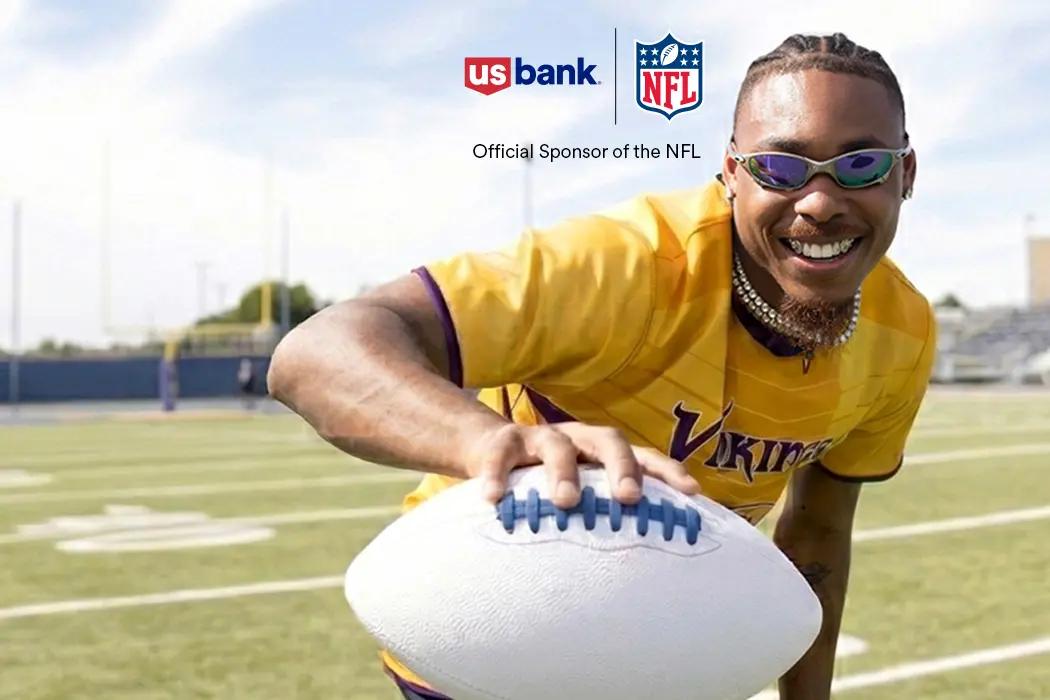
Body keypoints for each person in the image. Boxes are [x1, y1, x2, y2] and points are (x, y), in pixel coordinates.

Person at [267, 32, 936, 700]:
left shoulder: (902, 332)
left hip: (663, 637)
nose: (819, 202)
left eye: (861, 166)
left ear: (905, 175)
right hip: (494, 627)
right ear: (731, 175)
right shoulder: (626, 267)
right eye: (780, 170)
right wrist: (494, 442)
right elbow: (315, 354)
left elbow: (817, 537)